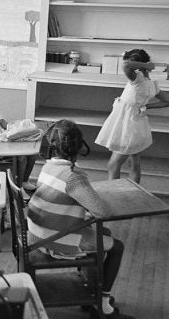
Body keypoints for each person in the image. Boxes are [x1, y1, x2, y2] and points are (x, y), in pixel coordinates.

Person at [28, 120, 132, 319]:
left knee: (104, 234)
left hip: (38, 232)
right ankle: (102, 304)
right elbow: (103, 212)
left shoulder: (48, 166)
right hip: (56, 239)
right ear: (78, 147)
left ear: (52, 146)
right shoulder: (73, 178)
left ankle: (93, 292)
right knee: (117, 247)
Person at [95, 49, 169, 183]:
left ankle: (113, 194)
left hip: (127, 125)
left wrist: (147, 66)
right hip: (139, 124)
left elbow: (125, 64)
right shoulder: (152, 84)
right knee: (134, 163)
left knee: (113, 164)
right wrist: (146, 106)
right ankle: (136, 192)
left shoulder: (136, 79)